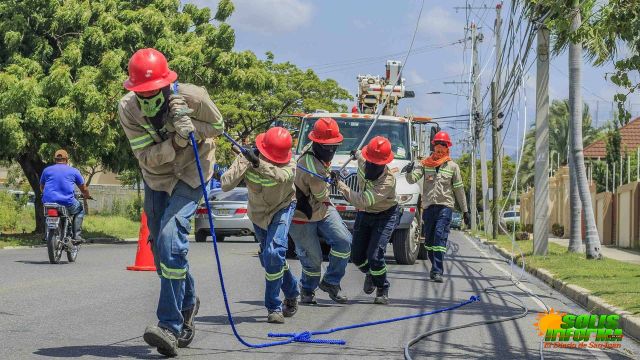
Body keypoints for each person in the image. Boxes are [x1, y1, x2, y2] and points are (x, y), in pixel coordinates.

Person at [118, 48, 225, 357]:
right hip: (157, 177)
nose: (148, 97)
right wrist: (174, 138)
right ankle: (188, 303)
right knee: (162, 249)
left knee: (170, 238)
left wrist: (191, 126)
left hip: (193, 173)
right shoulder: (127, 109)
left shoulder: (195, 98)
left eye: (154, 91)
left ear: (167, 85)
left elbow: (218, 127)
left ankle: (169, 326)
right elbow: (146, 157)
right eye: (142, 93)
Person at [220, 127, 300, 324]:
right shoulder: (246, 157)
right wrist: (244, 160)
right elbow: (225, 184)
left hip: (283, 207)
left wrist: (258, 163)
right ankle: (292, 290)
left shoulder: (291, 162)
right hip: (258, 214)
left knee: (274, 253)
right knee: (270, 258)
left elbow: (282, 177)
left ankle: (273, 307)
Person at [289, 118, 352, 305]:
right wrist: (331, 181)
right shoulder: (311, 167)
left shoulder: (314, 149)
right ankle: (308, 289)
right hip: (302, 213)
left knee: (344, 241)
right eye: (327, 146)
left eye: (334, 146)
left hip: (322, 209)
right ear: (317, 143)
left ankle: (331, 282)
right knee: (313, 259)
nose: (331, 150)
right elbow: (322, 194)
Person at [336, 136, 398, 305]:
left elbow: (362, 200)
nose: (370, 166)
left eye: (375, 164)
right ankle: (371, 273)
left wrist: (340, 185)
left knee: (375, 255)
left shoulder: (387, 181)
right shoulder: (364, 162)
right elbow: (361, 157)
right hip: (365, 214)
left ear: (383, 164)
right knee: (356, 256)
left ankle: (382, 287)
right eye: (369, 161)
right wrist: (356, 154)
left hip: (384, 215)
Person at [403, 131, 469, 283]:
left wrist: (465, 211)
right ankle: (435, 266)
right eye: (438, 146)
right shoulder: (425, 164)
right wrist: (408, 172)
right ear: (434, 147)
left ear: (447, 148)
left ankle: (437, 270)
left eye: (443, 147)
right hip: (428, 207)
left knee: (440, 236)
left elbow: (459, 190)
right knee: (429, 242)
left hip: (445, 207)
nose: (440, 150)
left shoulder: (453, 167)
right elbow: (413, 179)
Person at [40, 149, 91, 243]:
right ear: (67, 159)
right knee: (80, 209)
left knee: (48, 213)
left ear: (55, 159)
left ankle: (47, 233)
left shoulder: (46, 170)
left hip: (48, 202)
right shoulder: (74, 171)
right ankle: (77, 236)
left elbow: (42, 187)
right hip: (67, 202)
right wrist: (87, 195)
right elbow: (83, 188)